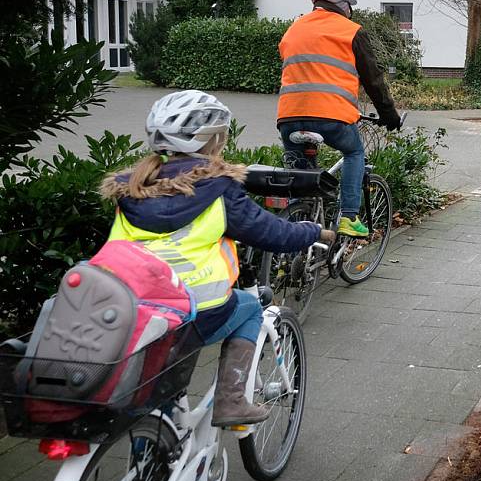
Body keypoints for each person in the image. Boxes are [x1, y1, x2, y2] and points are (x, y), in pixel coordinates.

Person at [102, 90, 335, 427]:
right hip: (197, 306)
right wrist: (312, 231)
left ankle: (155, 453)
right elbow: (272, 233)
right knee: (250, 309)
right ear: (213, 140)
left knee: (159, 389)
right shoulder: (217, 188)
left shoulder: (131, 188)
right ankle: (232, 400)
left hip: (134, 307)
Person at [278, 0, 400, 238]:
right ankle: (348, 216)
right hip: (331, 118)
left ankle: (293, 233)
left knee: (301, 178)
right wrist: (389, 115)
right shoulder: (351, 30)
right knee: (354, 153)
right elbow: (373, 79)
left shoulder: (293, 29)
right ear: (344, 5)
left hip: (288, 117)